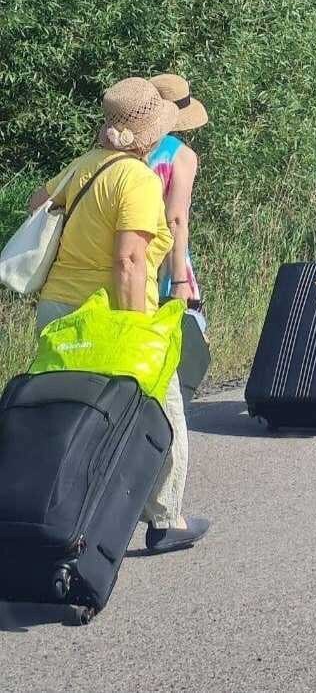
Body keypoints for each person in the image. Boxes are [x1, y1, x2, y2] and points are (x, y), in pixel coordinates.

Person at [27, 78, 211, 553]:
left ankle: (53, 515)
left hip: (57, 311)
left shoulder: (84, 167)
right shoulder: (138, 179)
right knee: (165, 412)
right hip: (110, 317)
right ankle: (166, 519)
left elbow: (37, 205)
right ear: (153, 133)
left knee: (66, 419)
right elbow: (129, 261)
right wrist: (135, 331)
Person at [147, 74, 208, 308]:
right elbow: (176, 219)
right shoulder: (181, 155)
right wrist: (180, 279)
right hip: (164, 260)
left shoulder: (126, 150)